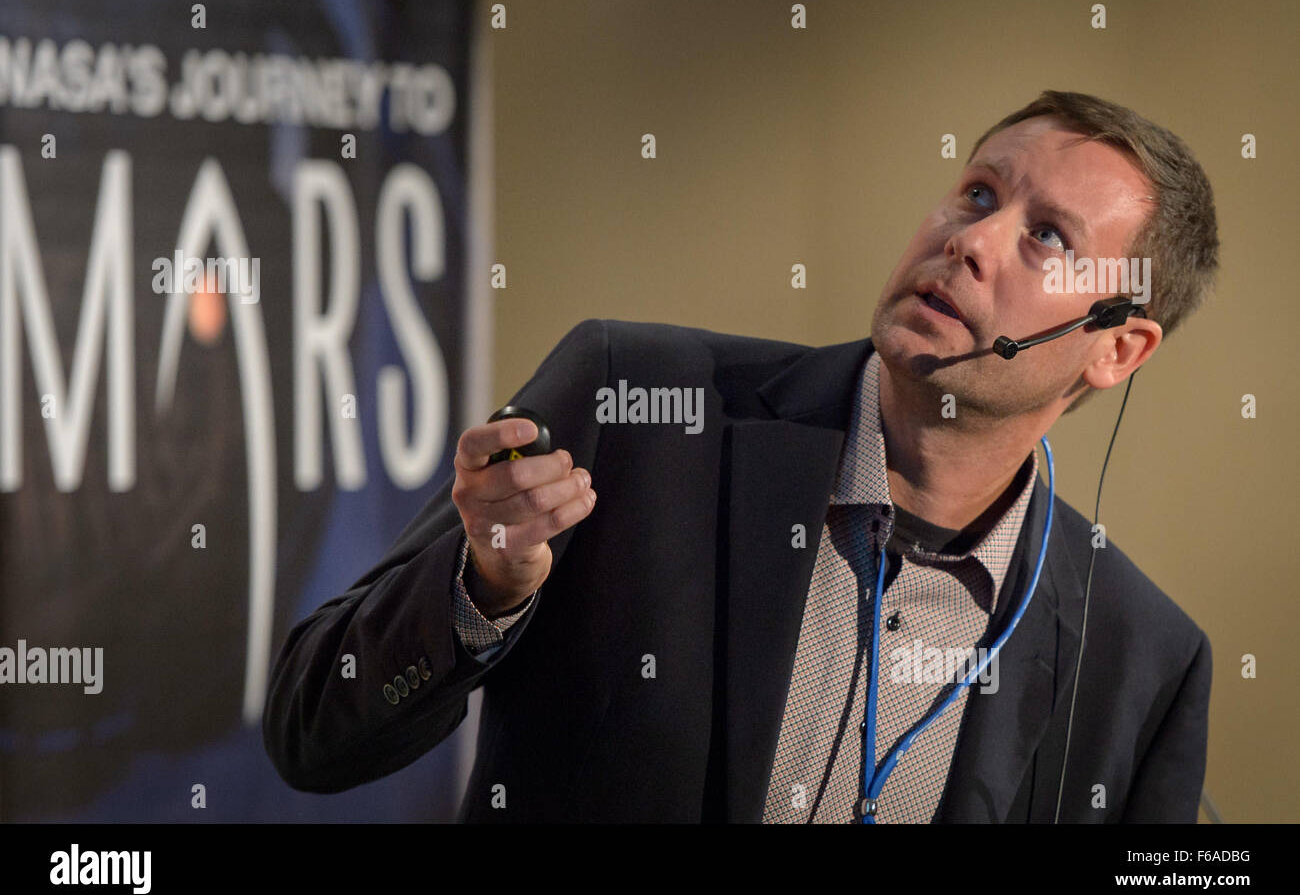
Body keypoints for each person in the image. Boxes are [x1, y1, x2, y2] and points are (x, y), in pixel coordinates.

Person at [263, 90, 1218, 822]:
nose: (969, 240)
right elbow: (314, 730)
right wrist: (483, 589)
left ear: (1117, 348)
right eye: (977, 192)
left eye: (1046, 237)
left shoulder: (1140, 662)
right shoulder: (639, 407)